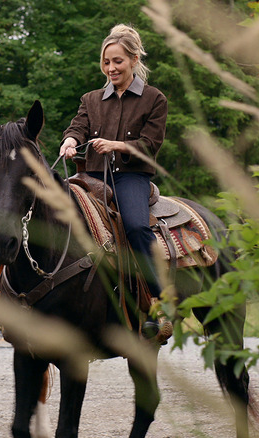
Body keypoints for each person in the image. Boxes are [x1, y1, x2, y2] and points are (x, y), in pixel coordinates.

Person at [59, 24, 167, 339]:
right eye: (106, 62)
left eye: (117, 61)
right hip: (90, 175)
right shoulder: (90, 99)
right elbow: (78, 126)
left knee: (134, 226)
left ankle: (159, 301)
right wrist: (69, 140)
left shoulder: (154, 99)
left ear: (134, 60)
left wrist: (117, 145)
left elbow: (150, 144)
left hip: (130, 177)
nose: (111, 68)